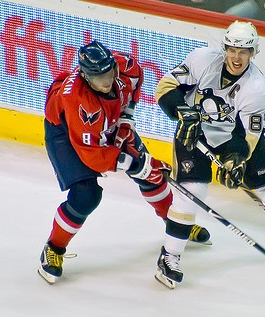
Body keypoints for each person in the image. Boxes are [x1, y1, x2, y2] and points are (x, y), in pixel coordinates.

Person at [153, 21, 265, 288]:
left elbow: (248, 137)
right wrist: (183, 112)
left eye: (244, 51)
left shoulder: (257, 88)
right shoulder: (202, 59)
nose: (237, 57)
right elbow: (165, 87)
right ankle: (170, 256)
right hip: (194, 133)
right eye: (233, 50)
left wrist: (234, 160)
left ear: (254, 52)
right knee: (192, 192)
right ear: (224, 48)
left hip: (235, 138)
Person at [38, 40, 210, 284]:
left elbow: (136, 75)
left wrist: (126, 117)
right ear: (86, 78)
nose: (107, 80)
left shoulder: (123, 66)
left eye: (109, 72)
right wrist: (139, 165)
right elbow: (96, 158)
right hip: (66, 133)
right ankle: (54, 248)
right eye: (99, 77)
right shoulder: (78, 101)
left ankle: (173, 223)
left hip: (109, 121)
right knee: (86, 196)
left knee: (152, 178)